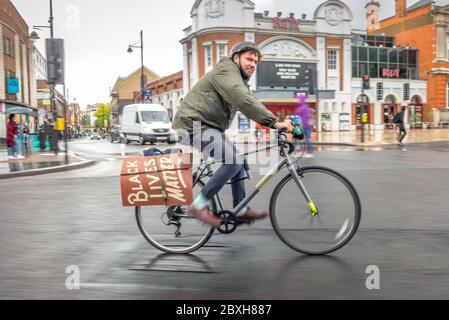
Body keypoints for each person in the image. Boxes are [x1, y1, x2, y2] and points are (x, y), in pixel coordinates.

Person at [173, 41, 293, 227]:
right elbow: (243, 100)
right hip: (193, 124)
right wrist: (275, 123)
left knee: (239, 160)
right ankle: (198, 205)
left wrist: (276, 121)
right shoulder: (226, 72)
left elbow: (249, 101)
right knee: (233, 161)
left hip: (209, 127)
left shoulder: (237, 79)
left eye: (256, 61)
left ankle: (241, 209)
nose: (253, 64)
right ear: (236, 58)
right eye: (249, 59)